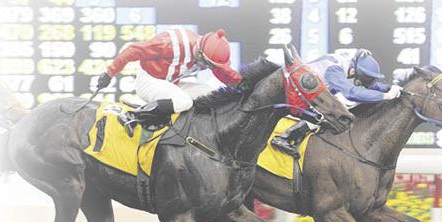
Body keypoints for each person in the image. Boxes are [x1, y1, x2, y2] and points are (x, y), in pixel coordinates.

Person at [95, 28, 241, 136]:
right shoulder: (171, 44)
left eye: (211, 65)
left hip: (170, 82)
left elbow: (224, 73)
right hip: (149, 81)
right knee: (184, 102)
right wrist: (109, 73)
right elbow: (133, 50)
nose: (208, 67)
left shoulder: (207, 52)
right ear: (200, 52)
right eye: (207, 63)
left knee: (210, 92)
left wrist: (243, 84)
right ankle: (133, 116)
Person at [271, 49, 400, 156]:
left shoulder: (352, 64)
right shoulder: (334, 70)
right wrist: (385, 96)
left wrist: (389, 88)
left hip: (313, 92)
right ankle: (285, 137)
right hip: (297, 94)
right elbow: (352, 93)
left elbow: (369, 86)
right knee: (341, 105)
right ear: (353, 71)